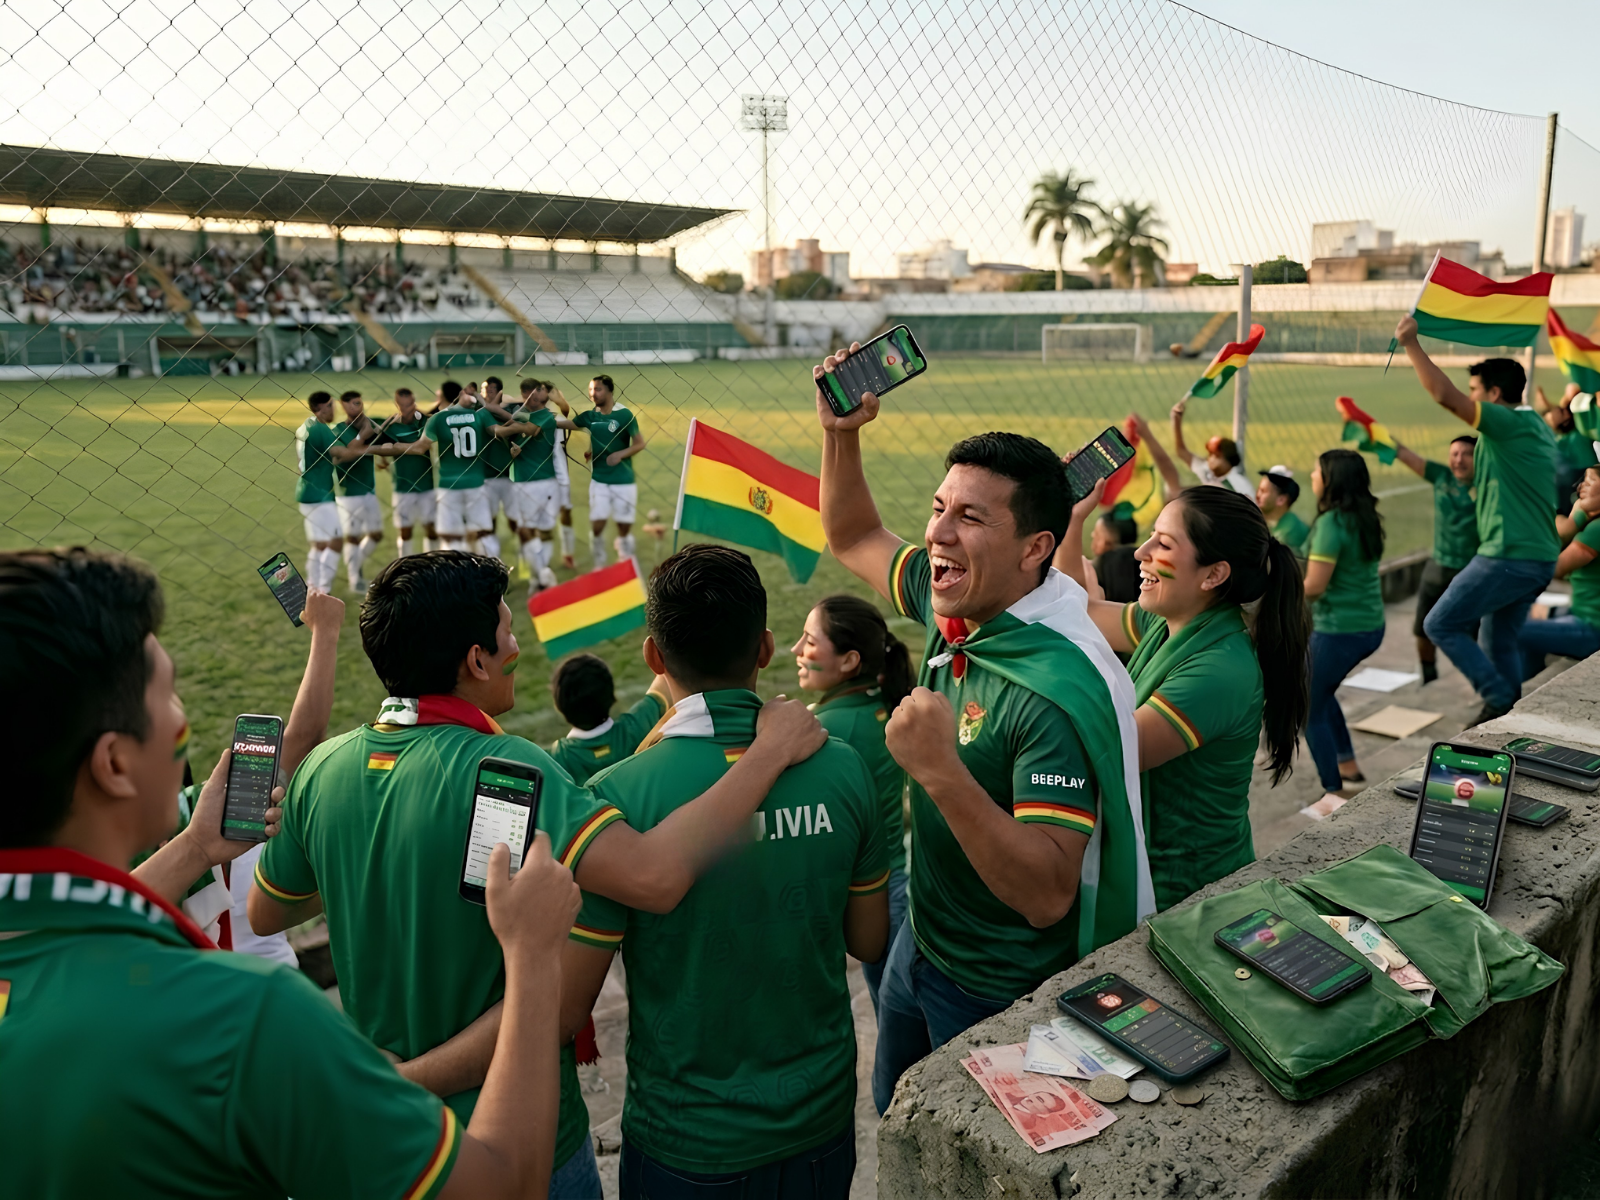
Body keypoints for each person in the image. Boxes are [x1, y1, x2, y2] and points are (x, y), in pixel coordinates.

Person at [1, 547, 580, 1199]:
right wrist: (532, 958)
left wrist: (194, 848)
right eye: (167, 692)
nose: (182, 718)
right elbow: (501, 1187)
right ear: (114, 764)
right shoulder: (243, 1020)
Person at [248, 551, 826, 1198]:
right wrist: (769, 752)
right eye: (508, 630)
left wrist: (378, 857)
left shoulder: (325, 768)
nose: (518, 643)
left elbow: (266, 912)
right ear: (476, 661)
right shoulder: (505, 768)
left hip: (382, 1132)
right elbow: (655, 878)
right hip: (515, 1138)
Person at [812, 345, 1149, 1117]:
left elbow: (1045, 894)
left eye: (970, 517)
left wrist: (939, 770)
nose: (938, 534)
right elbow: (855, 535)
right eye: (938, 509)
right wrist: (841, 434)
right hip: (920, 941)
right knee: (894, 1113)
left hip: (996, 988)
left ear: (1037, 549)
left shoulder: (1055, 690)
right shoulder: (963, 608)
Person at [563, 545, 889, 1199]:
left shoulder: (614, 796)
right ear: (766, 647)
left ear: (655, 658)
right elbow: (869, 941)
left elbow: (569, 1003)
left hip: (687, 1139)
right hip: (819, 1118)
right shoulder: (843, 765)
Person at [1054, 485, 1309, 910]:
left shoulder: (1220, 670)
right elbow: (1076, 619)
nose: (1141, 552)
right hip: (1153, 872)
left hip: (1187, 893)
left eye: (1164, 544)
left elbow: (1109, 751)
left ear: (1213, 574)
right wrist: (1072, 521)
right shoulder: (1168, 620)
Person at [1396, 316, 1561, 723]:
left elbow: (1444, 396)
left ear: (1495, 393)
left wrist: (1411, 344)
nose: (1470, 398)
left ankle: (1497, 696)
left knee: (1440, 623)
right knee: (1496, 639)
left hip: (1508, 555)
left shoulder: (1508, 424)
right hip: (1536, 559)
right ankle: (1507, 718)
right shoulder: (1532, 427)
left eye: (1476, 391)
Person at [793, 592, 915, 1013]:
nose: (796, 650)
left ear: (849, 661)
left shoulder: (822, 730)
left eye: (809, 641)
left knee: (899, 1039)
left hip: (874, 896)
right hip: (900, 883)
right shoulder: (881, 703)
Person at [1301, 449, 1385, 798]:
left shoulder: (1331, 523)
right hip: (1369, 625)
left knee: (1306, 707)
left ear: (1332, 480)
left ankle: (1333, 792)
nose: (1311, 476)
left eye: (1317, 471)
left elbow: (1315, 587)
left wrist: (1275, 595)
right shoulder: (1364, 516)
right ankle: (1348, 767)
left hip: (1340, 629)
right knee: (1321, 690)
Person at [1390, 433, 1479, 684]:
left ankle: (1477, 679)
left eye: (1466, 454)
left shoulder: (1487, 485)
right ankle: (1429, 676)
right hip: (1438, 565)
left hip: (1471, 570)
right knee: (1422, 627)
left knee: (1470, 632)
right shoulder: (1441, 476)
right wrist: (1372, 431)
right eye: (1454, 454)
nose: (1459, 460)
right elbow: (1405, 455)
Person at [558, 374, 645, 567]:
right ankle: (600, 564)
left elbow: (639, 444)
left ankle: (625, 559)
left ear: (610, 391)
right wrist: (541, 418)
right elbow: (567, 424)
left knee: (624, 526)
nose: (592, 393)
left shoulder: (624, 415)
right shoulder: (590, 416)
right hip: (599, 481)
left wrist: (619, 455)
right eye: (590, 389)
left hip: (623, 480)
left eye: (597, 389)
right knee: (597, 526)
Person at [1520, 466, 1600, 677]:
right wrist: (1578, 514)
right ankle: (1527, 680)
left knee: (1511, 628)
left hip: (1593, 628)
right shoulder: (1593, 522)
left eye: (1589, 483)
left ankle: (1509, 696)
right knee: (1529, 612)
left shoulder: (1597, 530)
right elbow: (1561, 536)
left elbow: (1554, 569)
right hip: (1584, 611)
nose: (1580, 486)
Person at [295, 390, 376, 594]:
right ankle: (323, 587)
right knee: (336, 541)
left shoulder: (305, 426)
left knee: (319, 544)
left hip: (305, 491)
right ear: (320, 408)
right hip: (320, 494)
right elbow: (345, 452)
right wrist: (363, 436)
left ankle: (312, 584)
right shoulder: (321, 430)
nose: (334, 409)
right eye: (331, 405)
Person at [548, 652, 670, 784]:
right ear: (612, 695)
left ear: (558, 706)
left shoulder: (557, 759)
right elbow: (665, 680)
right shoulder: (636, 727)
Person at [508, 378, 562, 590]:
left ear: (542, 393)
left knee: (543, 530)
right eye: (526, 395)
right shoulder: (519, 413)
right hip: (523, 480)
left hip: (543, 481)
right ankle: (540, 575)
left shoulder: (546, 417)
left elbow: (530, 429)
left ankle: (540, 573)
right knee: (526, 530)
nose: (531, 398)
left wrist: (508, 423)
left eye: (535, 393)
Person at [332, 390, 385, 592]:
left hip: (369, 491)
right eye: (353, 403)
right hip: (348, 494)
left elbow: (385, 437)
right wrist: (363, 442)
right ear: (343, 406)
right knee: (353, 537)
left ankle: (354, 564)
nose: (358, 407)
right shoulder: (337, 431)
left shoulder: (370, 425)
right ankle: (356, 579)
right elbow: (338, 458)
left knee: (376, 534)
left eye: (359, 403)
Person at [378, 387, 439, 556]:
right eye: (404, 405)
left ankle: (432, 565)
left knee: (432, 529)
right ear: (397, 405)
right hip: (403, 488)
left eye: (411, 403)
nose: (409, 408)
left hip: (427, 487)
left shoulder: (425, 422)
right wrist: (382, 459)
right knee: (405, 532)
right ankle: (405, 565)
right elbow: (380, 444)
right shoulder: (391, 427)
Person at [1535, 383, 1600, 505]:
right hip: (1589, 471)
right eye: (1561, 410)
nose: (1563, 407)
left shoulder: (1562, 439)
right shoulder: (1579, 429)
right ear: (1565, 422)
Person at [1170, 401, 1252, 494]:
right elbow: (1181, 451)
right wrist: (1176, 421)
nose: (1211, 459)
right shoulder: (1207, 469)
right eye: (1210, 454)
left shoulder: (1238, 484)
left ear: (1229, 459)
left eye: (1217, 456)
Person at [479, 376, 517, 563]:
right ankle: (493, 563)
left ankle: (526, 563)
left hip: (510, 475)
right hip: (486, 476)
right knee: (489, 523)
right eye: (484, 389)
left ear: (499, 392)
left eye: (492, 390)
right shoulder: (478, 413)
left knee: (516, 523)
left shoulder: (511, 412)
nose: (487, 393)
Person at [549, 381, 577, 568]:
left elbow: (566, 410)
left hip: (559, 473)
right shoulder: (524, 415)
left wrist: (559, 399)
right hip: (535, 475)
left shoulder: (557, 417)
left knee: (565, 512)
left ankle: (567, 553)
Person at [1089, 503, 1141, 602]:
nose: (1093, 545)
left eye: (1097, 536)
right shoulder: (1145, 567)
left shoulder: (1095, 570)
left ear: (1107, 543)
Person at [1255, 465, 1309, 556]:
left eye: (1263, 491)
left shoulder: (1288, 534)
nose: (1257, 495)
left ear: (1281, 500)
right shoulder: (1273, 523)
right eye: (1258, 490)